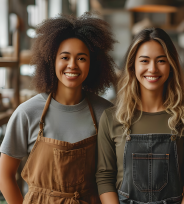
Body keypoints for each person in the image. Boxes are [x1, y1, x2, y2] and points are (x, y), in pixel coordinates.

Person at [0, 12, 116, 203]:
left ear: (92, 64)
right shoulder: (26, 113)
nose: (72, 65)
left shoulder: (106, 113)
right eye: (64, 57)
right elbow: (5, 176)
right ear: (51, 60)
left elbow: (112, 178)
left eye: (81, 58)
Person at [96, 28, 184, 204]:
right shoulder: (112, 118)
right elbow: (104, 178)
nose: (152, 69)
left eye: (161, 61)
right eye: (144, 61)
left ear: (171, 66)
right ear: (133, 66)